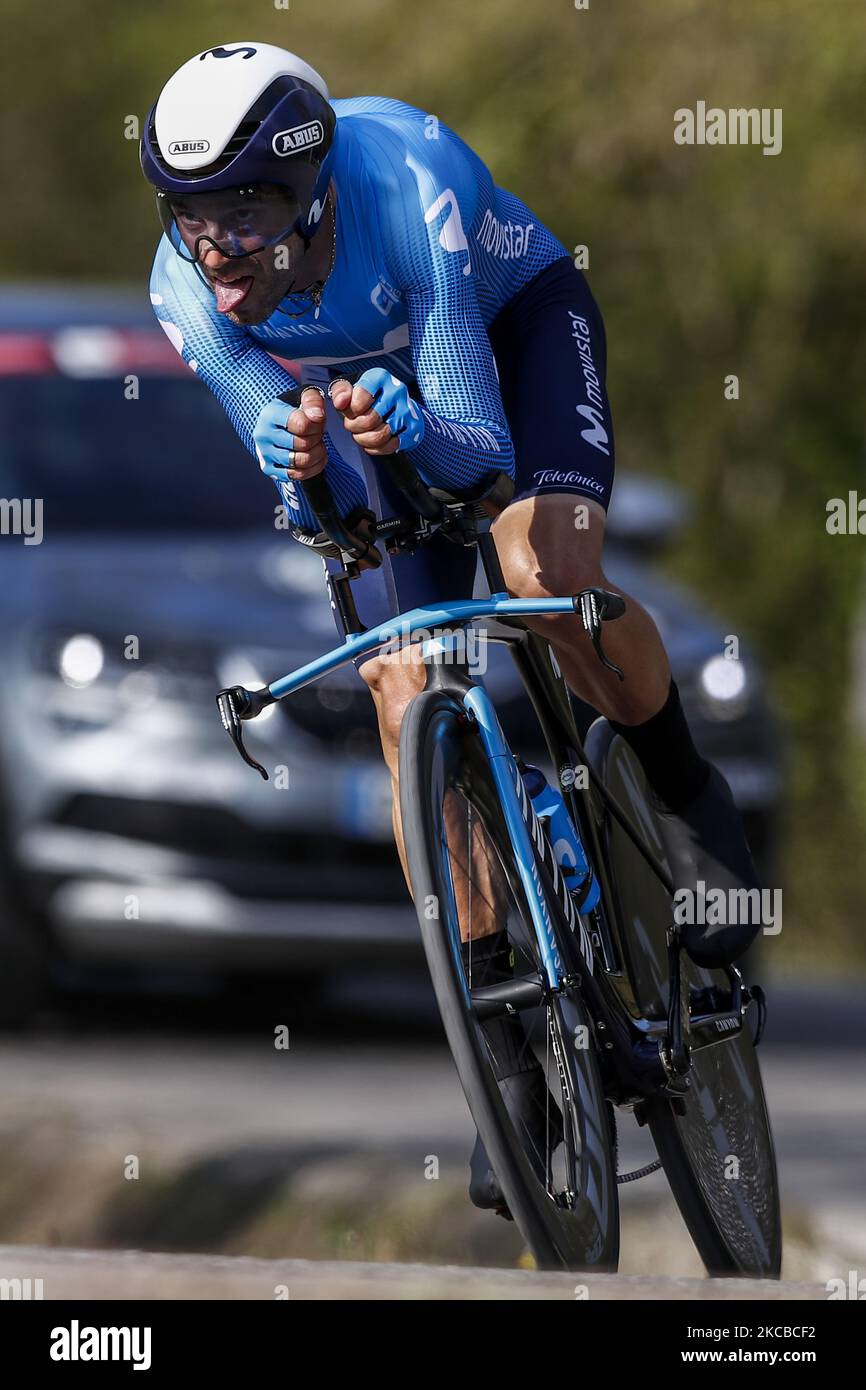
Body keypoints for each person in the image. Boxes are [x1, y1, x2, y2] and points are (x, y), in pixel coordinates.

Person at [141, 41, 763, 1212]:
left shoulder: (403, 182)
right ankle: (512, 1050)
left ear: (313, 191)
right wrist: (301, 460)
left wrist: (400, 427)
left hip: (507, 338)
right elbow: (315, 514)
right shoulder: (182, 290)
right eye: (189, 218)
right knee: (400, 685)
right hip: (384, 405)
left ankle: (681, 790)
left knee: (536, 564)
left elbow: (473, 456)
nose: (216, 252)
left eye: (245, 215)